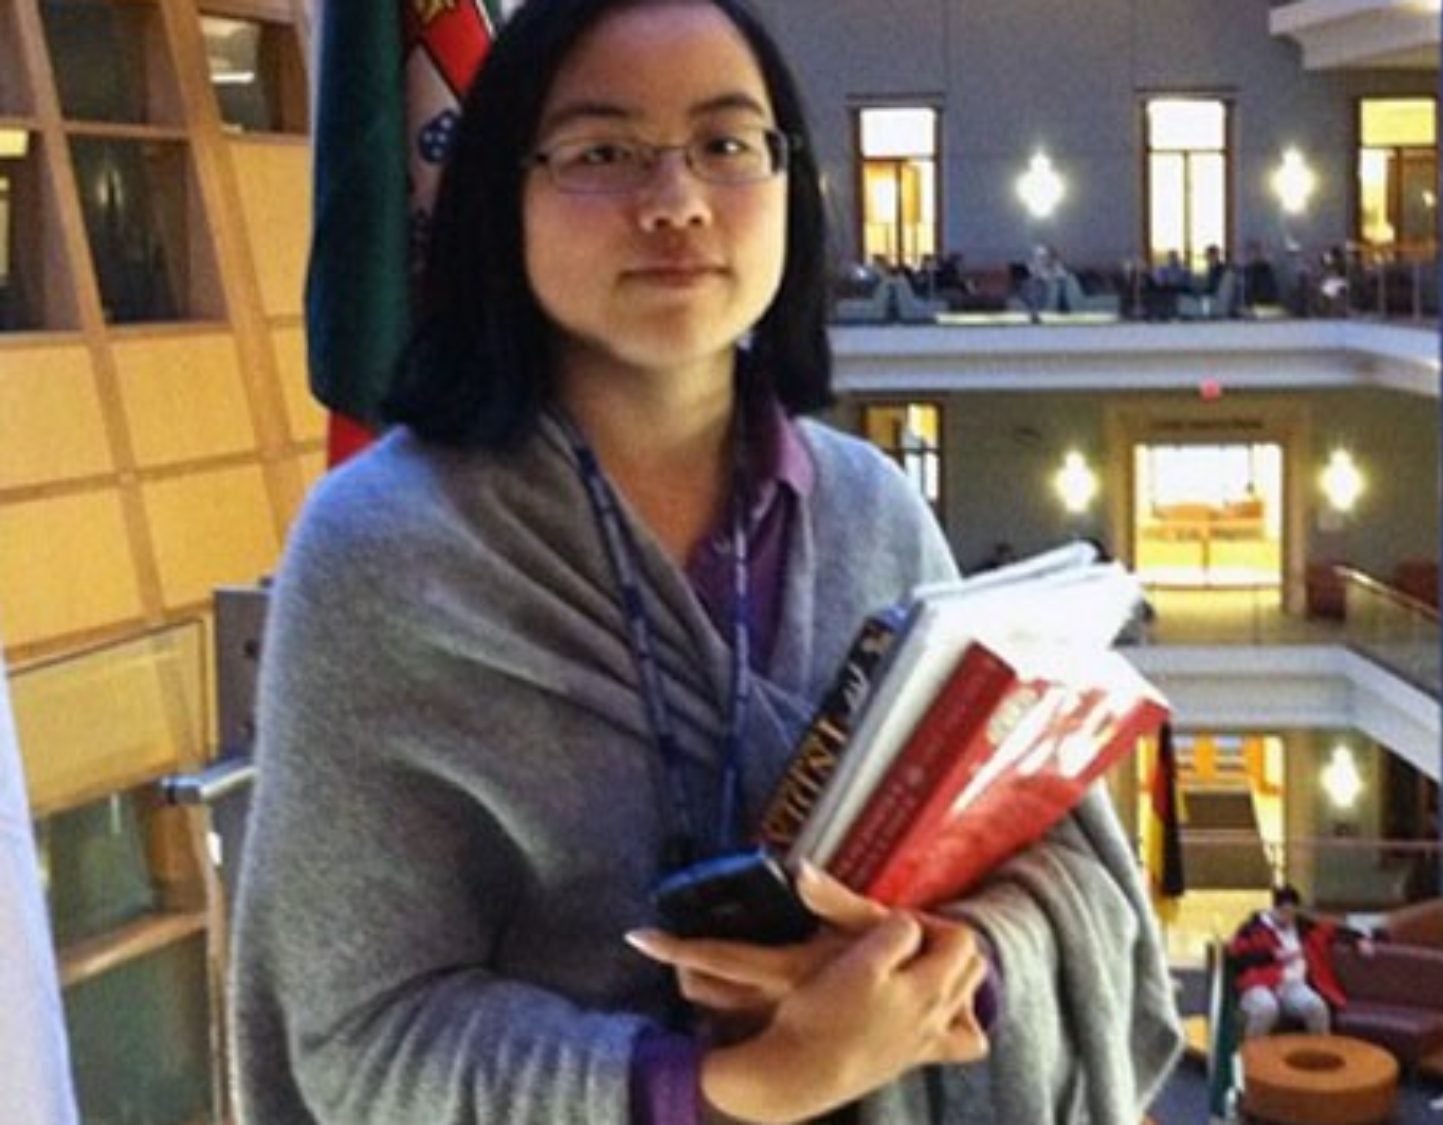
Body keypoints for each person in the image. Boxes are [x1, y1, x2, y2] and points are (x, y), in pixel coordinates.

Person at [228, 2, 1181, 1124]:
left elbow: (1061, 873)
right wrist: (729, 1086)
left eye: (727, 145)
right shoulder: (381, 550)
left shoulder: (870, 507)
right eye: (601, 153)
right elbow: (363, 1029)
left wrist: (937, 970)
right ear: (502, 196)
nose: (676, 201)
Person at [1226, 885, 1372, 1038]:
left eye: (1291, 913)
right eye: (1283, 912)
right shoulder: (1251, 928)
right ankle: (1250, 1054)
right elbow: (1237, 957)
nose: (1287, 917)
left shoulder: (1304, 927)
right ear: (1274, 909)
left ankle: (1319, 1053)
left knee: (1316, 1007)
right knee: (1266, 1008)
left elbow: (1334, 931)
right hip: (1259, 984)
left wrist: (1359, 939)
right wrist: (1273, 956)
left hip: (1292, 985)